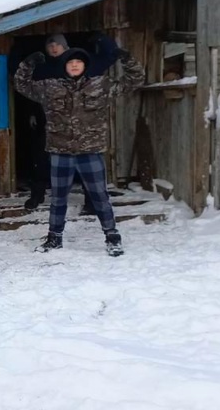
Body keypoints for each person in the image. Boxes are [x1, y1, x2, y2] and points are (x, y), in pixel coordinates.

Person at [14, 43, 145, 256]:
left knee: (99, 195)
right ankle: (54, 238)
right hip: (60, 152)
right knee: (58, 198)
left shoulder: (100, 85)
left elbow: (135, 80)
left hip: (90, 152)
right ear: (64, 66)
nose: (74, 65)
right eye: (70, 62)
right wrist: (29, 63)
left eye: (79, 62)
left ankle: (112, 237)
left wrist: (126, 58)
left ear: (85, 65)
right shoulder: (50, 87)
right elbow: (21, 84)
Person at [24, 33, 119, 210]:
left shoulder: (84, 66)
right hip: (51, 124)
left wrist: (101, 38)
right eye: (50, 45)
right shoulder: (43, 69)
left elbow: (109, 57)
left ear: (65, 47)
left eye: (57, 44)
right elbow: (31, 91)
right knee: (42, 158)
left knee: (87, 164)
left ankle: (91, 202)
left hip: (83, 127)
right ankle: (37, 195)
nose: (53, 48)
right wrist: (32, 113)